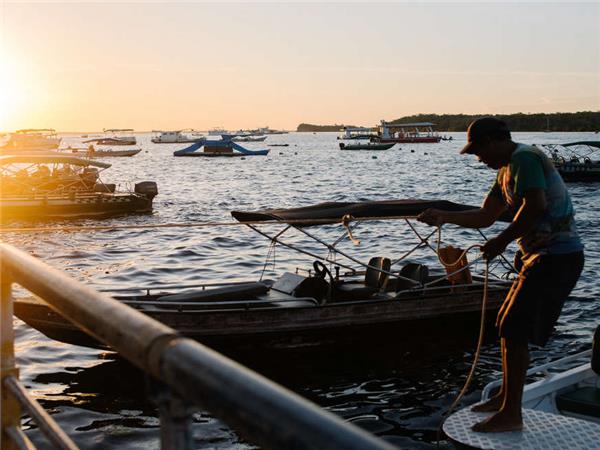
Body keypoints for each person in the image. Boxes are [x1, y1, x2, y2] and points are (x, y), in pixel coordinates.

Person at [418, 117, 584, 432]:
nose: (479, 159)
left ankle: (512, 413)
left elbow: (535, 205)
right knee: (505, 324)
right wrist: (444, 217)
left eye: (479, 151)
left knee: (514, 327)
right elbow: (485, 216)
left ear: (495, 141)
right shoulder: (506, 171)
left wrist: (501, 241)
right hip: (536, 257)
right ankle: (505, 399)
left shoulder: (524, 157)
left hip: (558, 258)